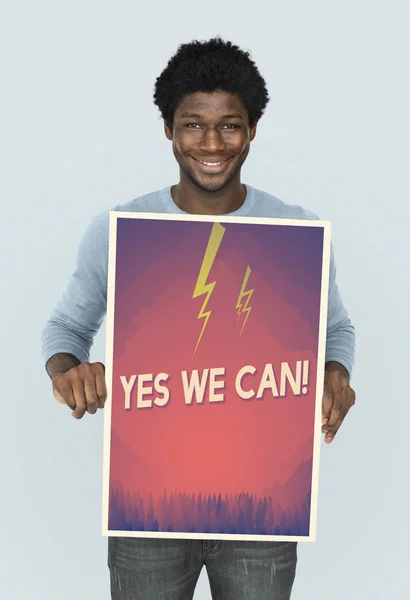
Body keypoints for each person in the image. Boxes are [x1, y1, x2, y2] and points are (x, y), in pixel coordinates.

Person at [41, 37, 356, 600]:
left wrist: (335, 372)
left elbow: (334, 328)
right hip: (149, 511)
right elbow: (65, 330)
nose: (211, 143)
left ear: (253, 129)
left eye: (230, 125)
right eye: (192, 125)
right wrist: (69, 371)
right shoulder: (120, 228)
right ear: (168, 128)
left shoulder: (297, 231)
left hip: (261, 509)